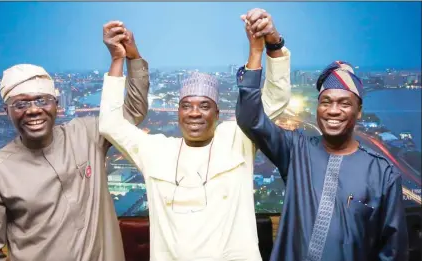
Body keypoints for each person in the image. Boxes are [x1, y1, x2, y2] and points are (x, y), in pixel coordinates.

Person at [98, 8, 291, 261]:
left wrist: (272, 45)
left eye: (204, 106)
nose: (194, 113)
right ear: (178, 112)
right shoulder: (156, 150)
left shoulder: (237, 138)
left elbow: (275, 99)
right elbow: (111, 123)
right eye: (186, 106)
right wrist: (119, 59)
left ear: (218, 113)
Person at [0, 21, 150, 261]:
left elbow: (132, 111)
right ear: (7, 111)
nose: (33, 110)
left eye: (42, 100)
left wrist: (127, 57)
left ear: (57, 104)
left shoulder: (86, 135)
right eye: (21, 104)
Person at [236, 59, 409, 261]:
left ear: (359, 111)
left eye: (344, 103)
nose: (333, 110)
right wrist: (257, 52)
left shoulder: (382, 173)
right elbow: (251, 119)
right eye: (326, 102)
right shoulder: (296, 150)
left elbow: (393, 251)